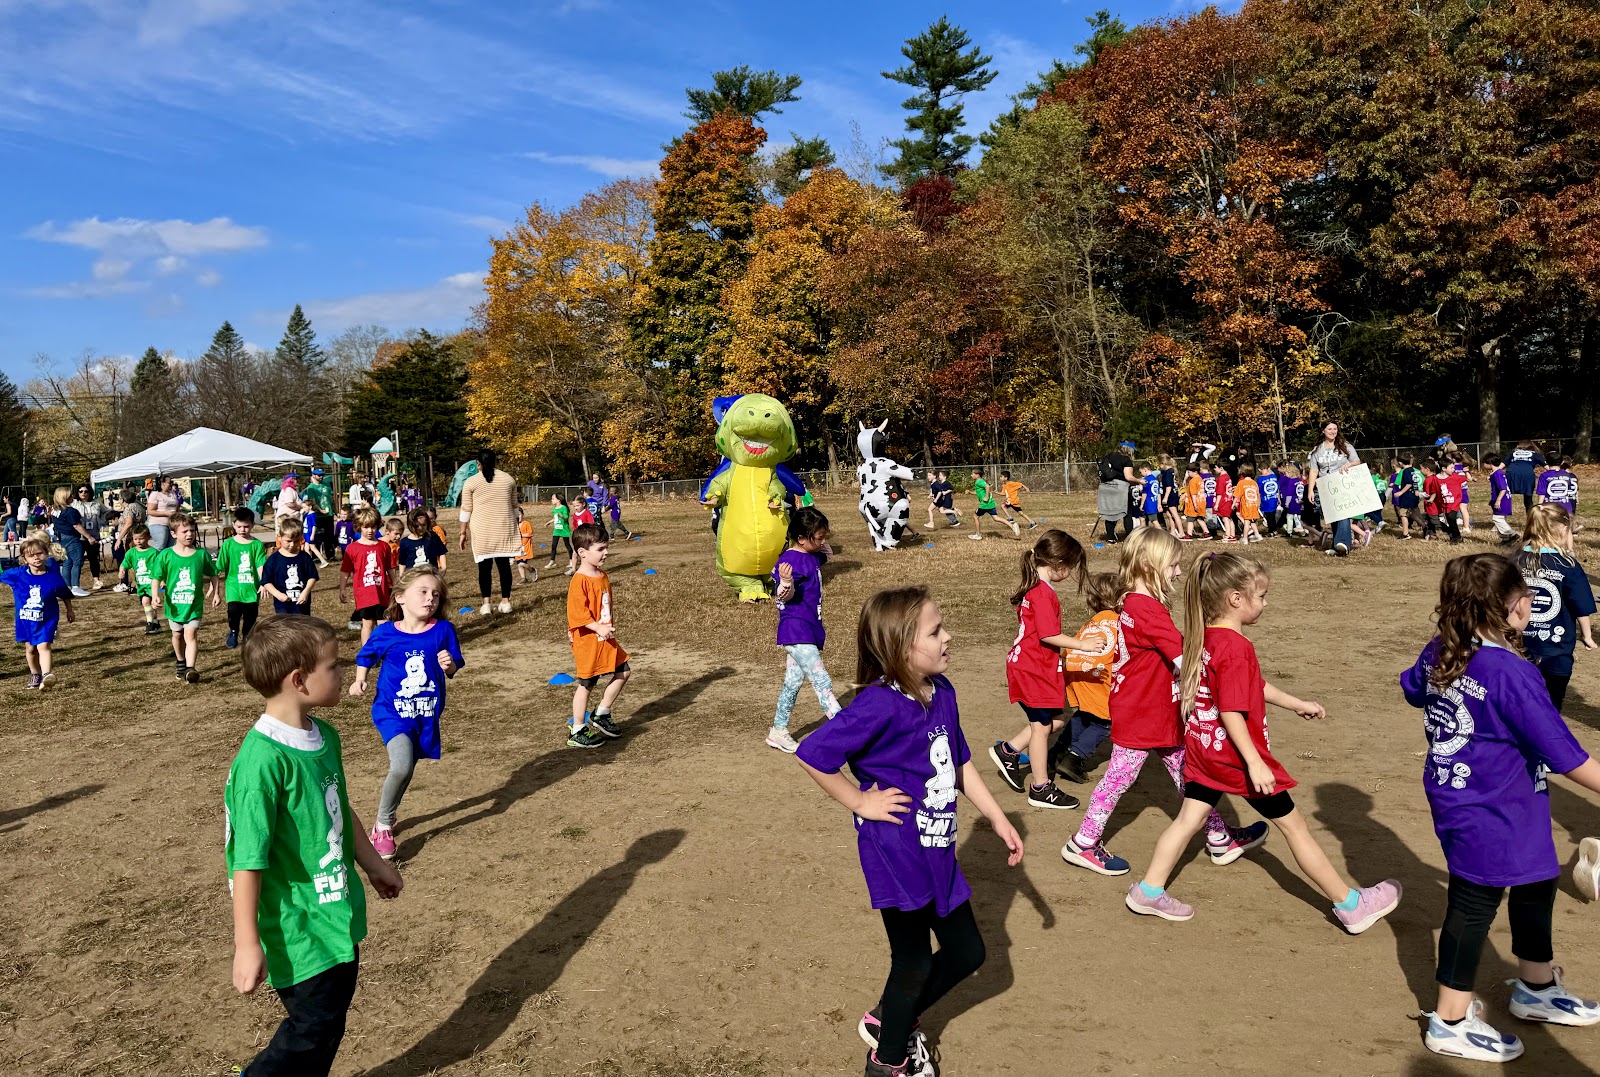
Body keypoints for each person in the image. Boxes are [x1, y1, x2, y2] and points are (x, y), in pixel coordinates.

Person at [796, 585, 1022, 1077]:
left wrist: (998, 817)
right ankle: (888, 1061)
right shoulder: (878, 705)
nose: (948, 637)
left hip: (938, 849)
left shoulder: (942, 691)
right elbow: (813, 753)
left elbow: (958, 762)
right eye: (936, 631)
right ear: (901, 647)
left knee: (967, 952)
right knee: (913, 961)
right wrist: (860, 801)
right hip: (896, 851)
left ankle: (887, 1018)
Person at [1126, 550, 1402, 928]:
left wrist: (1295, 703)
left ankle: (1149, 891)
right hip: (1237, 761)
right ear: (1235, 600)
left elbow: (1251, 687)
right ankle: (1350, 904)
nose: (1265, 603)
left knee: (1188, 820)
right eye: (1261, 595)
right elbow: (1231, 710)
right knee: (1295, 826)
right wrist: (1254, 762)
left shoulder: (1204, 638)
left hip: (1205, 753)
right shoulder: (1238, 649)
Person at [1401, 554, 1600, 1062]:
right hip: (1486, 804)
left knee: (1536, 879)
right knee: (1473, 903)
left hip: (1499, 794)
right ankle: (1447, 1020)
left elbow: (1412, 688)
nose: (1531, 603)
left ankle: (1535, 987)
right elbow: (1565, 756)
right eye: (1527, 595)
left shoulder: (1443, 650)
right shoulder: (1509, 672)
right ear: (1510, 606)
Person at [226, 615, 404, 1077]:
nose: (344, 672)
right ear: (299, 680)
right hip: (296, 924)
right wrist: (247, 943)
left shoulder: (324, 737)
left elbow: (338, 809)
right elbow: (247, 860)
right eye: (335, 665)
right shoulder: (262, 763)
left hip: (336, 910)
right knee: (313, 1026)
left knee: (328, 1023)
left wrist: (373, 863)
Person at [1061, 528, 1263, 876]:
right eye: (1172, 565)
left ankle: (1217, 836)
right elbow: (1186, 662)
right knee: (1119, 778)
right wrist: (1224, 674)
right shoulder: (1148, 610)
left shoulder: (1132, 602)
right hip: (1144, 711)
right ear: (1148, 565)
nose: (1178, 572)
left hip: (1154, 708)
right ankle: (1083, 842)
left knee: (1188, 774)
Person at [350, 567, 464, 861]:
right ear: (400, 597)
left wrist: (448, 664)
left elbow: (454, 667)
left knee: (408, 768)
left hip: (425, 714)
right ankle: (383, 826)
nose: (430, 599)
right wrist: (360, 678)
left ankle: (388, 815)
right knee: (400, 766)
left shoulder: (443, 630)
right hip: (391, 711)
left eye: (436, 595)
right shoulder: (386, 631)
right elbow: (366, 655)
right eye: (423, 592)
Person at [988, 531, 1092, 809]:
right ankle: (1040, 787)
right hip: (1032, 669)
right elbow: (1048, 635)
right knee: (1042, 727)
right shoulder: (1043, 593)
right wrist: (1083, 645)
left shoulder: (1033, 587)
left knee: (1057, 718)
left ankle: (1008, 751)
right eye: (1069, 567)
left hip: (1033, 666)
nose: (1069, 573)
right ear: (1057, 563)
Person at [766, 506, 842, 753]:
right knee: (821, 680)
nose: (823, 542)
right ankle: (845, 731)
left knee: (793, 681)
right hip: (796, 631)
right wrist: (786, 584)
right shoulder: (788, 562)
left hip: (809, 629)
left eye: (824, 537)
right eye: (819, 538)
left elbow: (820, 558)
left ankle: (778, 730)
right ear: (801, 539)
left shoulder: (810, 555)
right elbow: (782, 596)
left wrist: (825, 552)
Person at [1517, 504, 1595, 709]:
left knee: (1520, 702)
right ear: (1561, 529)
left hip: (1517, 647)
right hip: (1556, 651)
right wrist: (1587, 635)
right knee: (1551, 705)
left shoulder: (1514, 560)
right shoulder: (1567, 565)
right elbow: (1581, 605)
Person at [566, 524, 630, 749]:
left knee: (624, 670)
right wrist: (598, 627)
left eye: (607, 547)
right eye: (601, 548)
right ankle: (577, 730)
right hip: (588, 640)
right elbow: (578, 613)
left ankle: (601, 713)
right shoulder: (579, 580)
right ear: (582, 553)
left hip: (605, 637)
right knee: (587, 683)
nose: (606, 552)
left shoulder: (602, 575)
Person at [1055, 572, 1122, 784]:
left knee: (1085, 714)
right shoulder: (1119, 622)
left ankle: (1057, 752)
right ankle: (1075, 758)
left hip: (1077, 673)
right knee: (1105, 721)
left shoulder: (1093, 622)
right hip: (1098, 677)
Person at [151, 512, 217, 684]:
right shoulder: (165, 555)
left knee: (190, 633)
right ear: (173, 534)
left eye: (192, 531)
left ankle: (191, 669)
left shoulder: (201, 554)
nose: (189, 534)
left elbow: (213, 574)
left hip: (194, 605)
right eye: (185, 531)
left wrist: (216, 591)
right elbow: (156, 577)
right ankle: (181, 662)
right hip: (174, 606)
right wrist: (154, 596)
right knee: (177, 635)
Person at [2, 534, 74, 689]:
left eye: (39, 553)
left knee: (44, 646)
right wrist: (12, 585)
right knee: (31, 649)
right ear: (24, 558)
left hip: (47, 619)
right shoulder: (17, 575)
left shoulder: (52, 576)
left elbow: (64, 593)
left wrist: (70, 610)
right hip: (26, 620)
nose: (36, 558)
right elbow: (3, 575)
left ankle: (47, 675)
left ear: (46, 553)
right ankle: (35, 674)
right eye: (31, 555)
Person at [457, 449, 521, 615]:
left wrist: (462, 533)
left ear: (478, 463)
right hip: (504, 528)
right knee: (504, 567)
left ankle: (486, 603)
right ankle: (506, 601)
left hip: (482, 530)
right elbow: (515, 507)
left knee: (484, 568)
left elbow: (466, 510)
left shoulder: (470, 482)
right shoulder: (509, 479)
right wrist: (517, 526)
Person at [340, 507, 396, 646]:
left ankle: (384, 651)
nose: (370, 530)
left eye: (373, 527)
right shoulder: (352, 548)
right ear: (359, 527)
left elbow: (390, 568)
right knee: (368, 624)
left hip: (382, 593)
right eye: (366, 527)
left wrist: (396, 585)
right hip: (364, 594)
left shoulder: (383, 546)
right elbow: (345, 571)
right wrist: (342, 589)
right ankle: (367, 652)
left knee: (384, 623)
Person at [214, 507, 268, 649]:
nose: (243, 530)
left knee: (251, 615)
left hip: (251, 587)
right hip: (234, 587)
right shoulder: (228, 544)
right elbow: (219, 566)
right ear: (233, 525)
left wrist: (263, 583)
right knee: (233, 611)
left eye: (246, 527)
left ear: (252, 526)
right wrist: (214, 586)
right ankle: (233, 630)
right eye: (239, 526)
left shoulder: (256, 545)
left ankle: (246, 634)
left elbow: (260, 565)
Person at [1305, 421, 1361, 556]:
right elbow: (1313, 470)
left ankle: (1342, 543)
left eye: (1335, 429)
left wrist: (1348, 465)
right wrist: (1311, 490)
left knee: (1343, 513)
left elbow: (1357, 461)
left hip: (1342, 484)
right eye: (1329, 429)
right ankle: (1339, 547)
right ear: (1323, 431)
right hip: (1325, 486)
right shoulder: (1317, 450)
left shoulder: (1345, 446)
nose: (1332, 431)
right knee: (1333, 516)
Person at [262, 519, 320, 616]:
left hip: (302, 604)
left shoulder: (304, 557)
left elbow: (312, 576)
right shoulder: (274, 559)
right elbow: (266, 581)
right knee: (286, 629)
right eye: (288, 541)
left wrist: (305, 592)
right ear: (279, 537)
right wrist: (278, 595)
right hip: (283, 606)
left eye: (296, 541)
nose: (292, 545)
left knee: (302, 628)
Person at [119, 524, 163, 634]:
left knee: (148, 602)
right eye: (135, 539)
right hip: (141, 585)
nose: (138, 541)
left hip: (152, 584)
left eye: (141, 538)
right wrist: (122, 571)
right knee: (148, 603)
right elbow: (124, 563)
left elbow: (160, 568)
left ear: (148, 537)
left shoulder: (154, 552)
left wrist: (162, 580)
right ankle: (155, 623)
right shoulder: (131, 552)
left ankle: (150, 623)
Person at [51, 487, 93, 597]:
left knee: (67, 562)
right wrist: (89, 537)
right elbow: (76, 525)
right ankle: (75, 586)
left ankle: (67, 586)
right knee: (77, 561)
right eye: (70, 495)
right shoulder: (70, 511)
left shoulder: (55, 510)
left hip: (60, 537)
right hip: (71, 537)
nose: (73, 497)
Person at [1095, 441, 1137, 543]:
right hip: (1121, 488)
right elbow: (1128, 477)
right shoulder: (1126, 460)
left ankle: (1110, 537)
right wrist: (1140, 481)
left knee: (1110, 513)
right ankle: (1130, 538)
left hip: (1106, 487)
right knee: (1127, 514)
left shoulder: (1109, 456)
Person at [71, 484, 107, 591]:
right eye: (81, 491)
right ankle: (75, 584)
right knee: (78, 560)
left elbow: (108, 511)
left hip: (94, 535)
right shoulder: (74, 504)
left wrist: (102, 521)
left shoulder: (96, 504)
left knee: (94, 559)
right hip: (79, 536)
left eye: (86, 491)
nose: (83, 493)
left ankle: (96, 580)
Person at [1422, 459, 1463, 544]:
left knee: (1448, 519)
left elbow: (1466, 479)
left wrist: (1467, 473)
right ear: (1444, 469)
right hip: (1443, 504)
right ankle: (1454, 536)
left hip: (1448, 503)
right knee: (1447, 520)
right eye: (1451, 468)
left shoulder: (1453, 476)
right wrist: (1431, 499)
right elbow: (1434, 491)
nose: (1453, 470)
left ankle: (1455, 536)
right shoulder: (1436, 479)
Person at [968, 469, 1015, 540]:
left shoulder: (978, 481)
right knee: (996, 518)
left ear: (977, 475)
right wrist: (970, 492)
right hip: (990, 503)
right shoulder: (980, 481)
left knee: (975, 517)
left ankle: (978, 535)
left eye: (972, 474)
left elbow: (987, 486)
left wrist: (986, 497)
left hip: (985, 504)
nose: (971, 475)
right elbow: (978, 492)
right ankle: (1012, 526)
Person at [1505, 440, 1546, 518]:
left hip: (1511, 473)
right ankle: (1530, 520)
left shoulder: (1513, 453)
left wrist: (1494, 472)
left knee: (1504, 496)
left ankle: (1501, 520)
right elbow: (1547, 467)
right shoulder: (1535, 454)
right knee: (1528, 498)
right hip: (1527, 474)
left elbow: (1503, 464)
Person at [1485, 455, 1517, 544]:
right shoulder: (1497, 473)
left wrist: (1498, 500)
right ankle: (1506, 540)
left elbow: (1503, 488)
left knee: (1497, 519)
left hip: (1502, 499)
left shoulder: (1497, 474)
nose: (1483, 464)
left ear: (1490, 464)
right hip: (1502, 498)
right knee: (1501, 519)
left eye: (1484, 462)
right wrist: (1493, 499)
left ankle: (1512, 534)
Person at [1537, 456, 1579, 520]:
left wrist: (1540, 505)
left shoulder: (1544, 475)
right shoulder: (1569, 475)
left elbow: (1542, 492)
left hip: (1549, 506)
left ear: (1546, 462)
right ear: (1561, 462)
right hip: (1566, 505)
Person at [1392, 454, 1423, 539]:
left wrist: (1400, 492)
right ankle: (1425, 527)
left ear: (1400, 463)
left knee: (1403, 514)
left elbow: (1409, 483)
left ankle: (1405, 534)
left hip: (1407, 496)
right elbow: (1414, 482)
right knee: (1414, 513)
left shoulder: (1405, 471)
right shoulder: (1413, 470)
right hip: (1413, 495)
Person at [147, 477, 179, 550]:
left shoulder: (173, 494)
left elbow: (176, 508)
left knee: (171, 547)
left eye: (172, 482)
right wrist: (165, 513)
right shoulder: (155, 494)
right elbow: (150, 511)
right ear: (163, 483)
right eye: (169, 482)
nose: (171, 484)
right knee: (160, 546)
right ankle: (158, 560)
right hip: (158, 524)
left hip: (171, 524)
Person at [546, 493, 574, 573]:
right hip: (557, 530)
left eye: (553, 499)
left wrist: (561, 515)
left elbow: (566, 518)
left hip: (564, 529)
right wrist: (549, 522)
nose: (551, 500)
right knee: (553, 545)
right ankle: (552, 561)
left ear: (558, 500)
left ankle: (571, 560)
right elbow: (555, 518)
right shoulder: (554, 509)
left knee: (567, 545)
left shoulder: (564, 508)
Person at [1235, 464, 1263, 543]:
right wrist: (1258, 504)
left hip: (1246, 506)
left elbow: (1237, 495)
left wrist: (1233, 504)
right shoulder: (1254, 483)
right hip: (1254, 505)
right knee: (1252, 521)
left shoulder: (1241, 482)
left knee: (1247, 522)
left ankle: (1245, 538)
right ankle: (1257, 535)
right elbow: (1258, 495)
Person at [1180, 464, 1208, 540]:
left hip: (1194, 503)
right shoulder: (1200, 479)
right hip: (1201, 502)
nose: (1188, 474)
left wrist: (1195, 504)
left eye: (1189, 472)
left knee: (1190, 519)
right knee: (1199, 518)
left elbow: (1193, 493)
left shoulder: (1193, 481)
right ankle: (1206, 532)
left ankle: (1189, 534)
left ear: (1195, 472)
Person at [515, 507, 537, 584]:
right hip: (518, 548)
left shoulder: (526, 523)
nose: (518, 516)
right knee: (519, 564)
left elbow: (530, 534)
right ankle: (523, 578)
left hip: (525, 547)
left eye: (519, 514)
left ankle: (532, 570)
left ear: (523, 514)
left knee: (522, 563)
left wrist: (521, 535)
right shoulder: (515, 525)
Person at [1136, 464, 1161, 530]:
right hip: (1154, 502)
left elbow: (1145, 493)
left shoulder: (1146, 480)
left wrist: (1141, 504)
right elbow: (1158, 493)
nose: (1141, 474)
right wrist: (1159, 504)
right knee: (1142, 518)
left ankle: (1163, 535)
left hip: (1148, 503)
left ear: (1145, 470)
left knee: (1154, 521)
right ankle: (1142, 534)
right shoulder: (1155, 479)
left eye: (1141, 472)